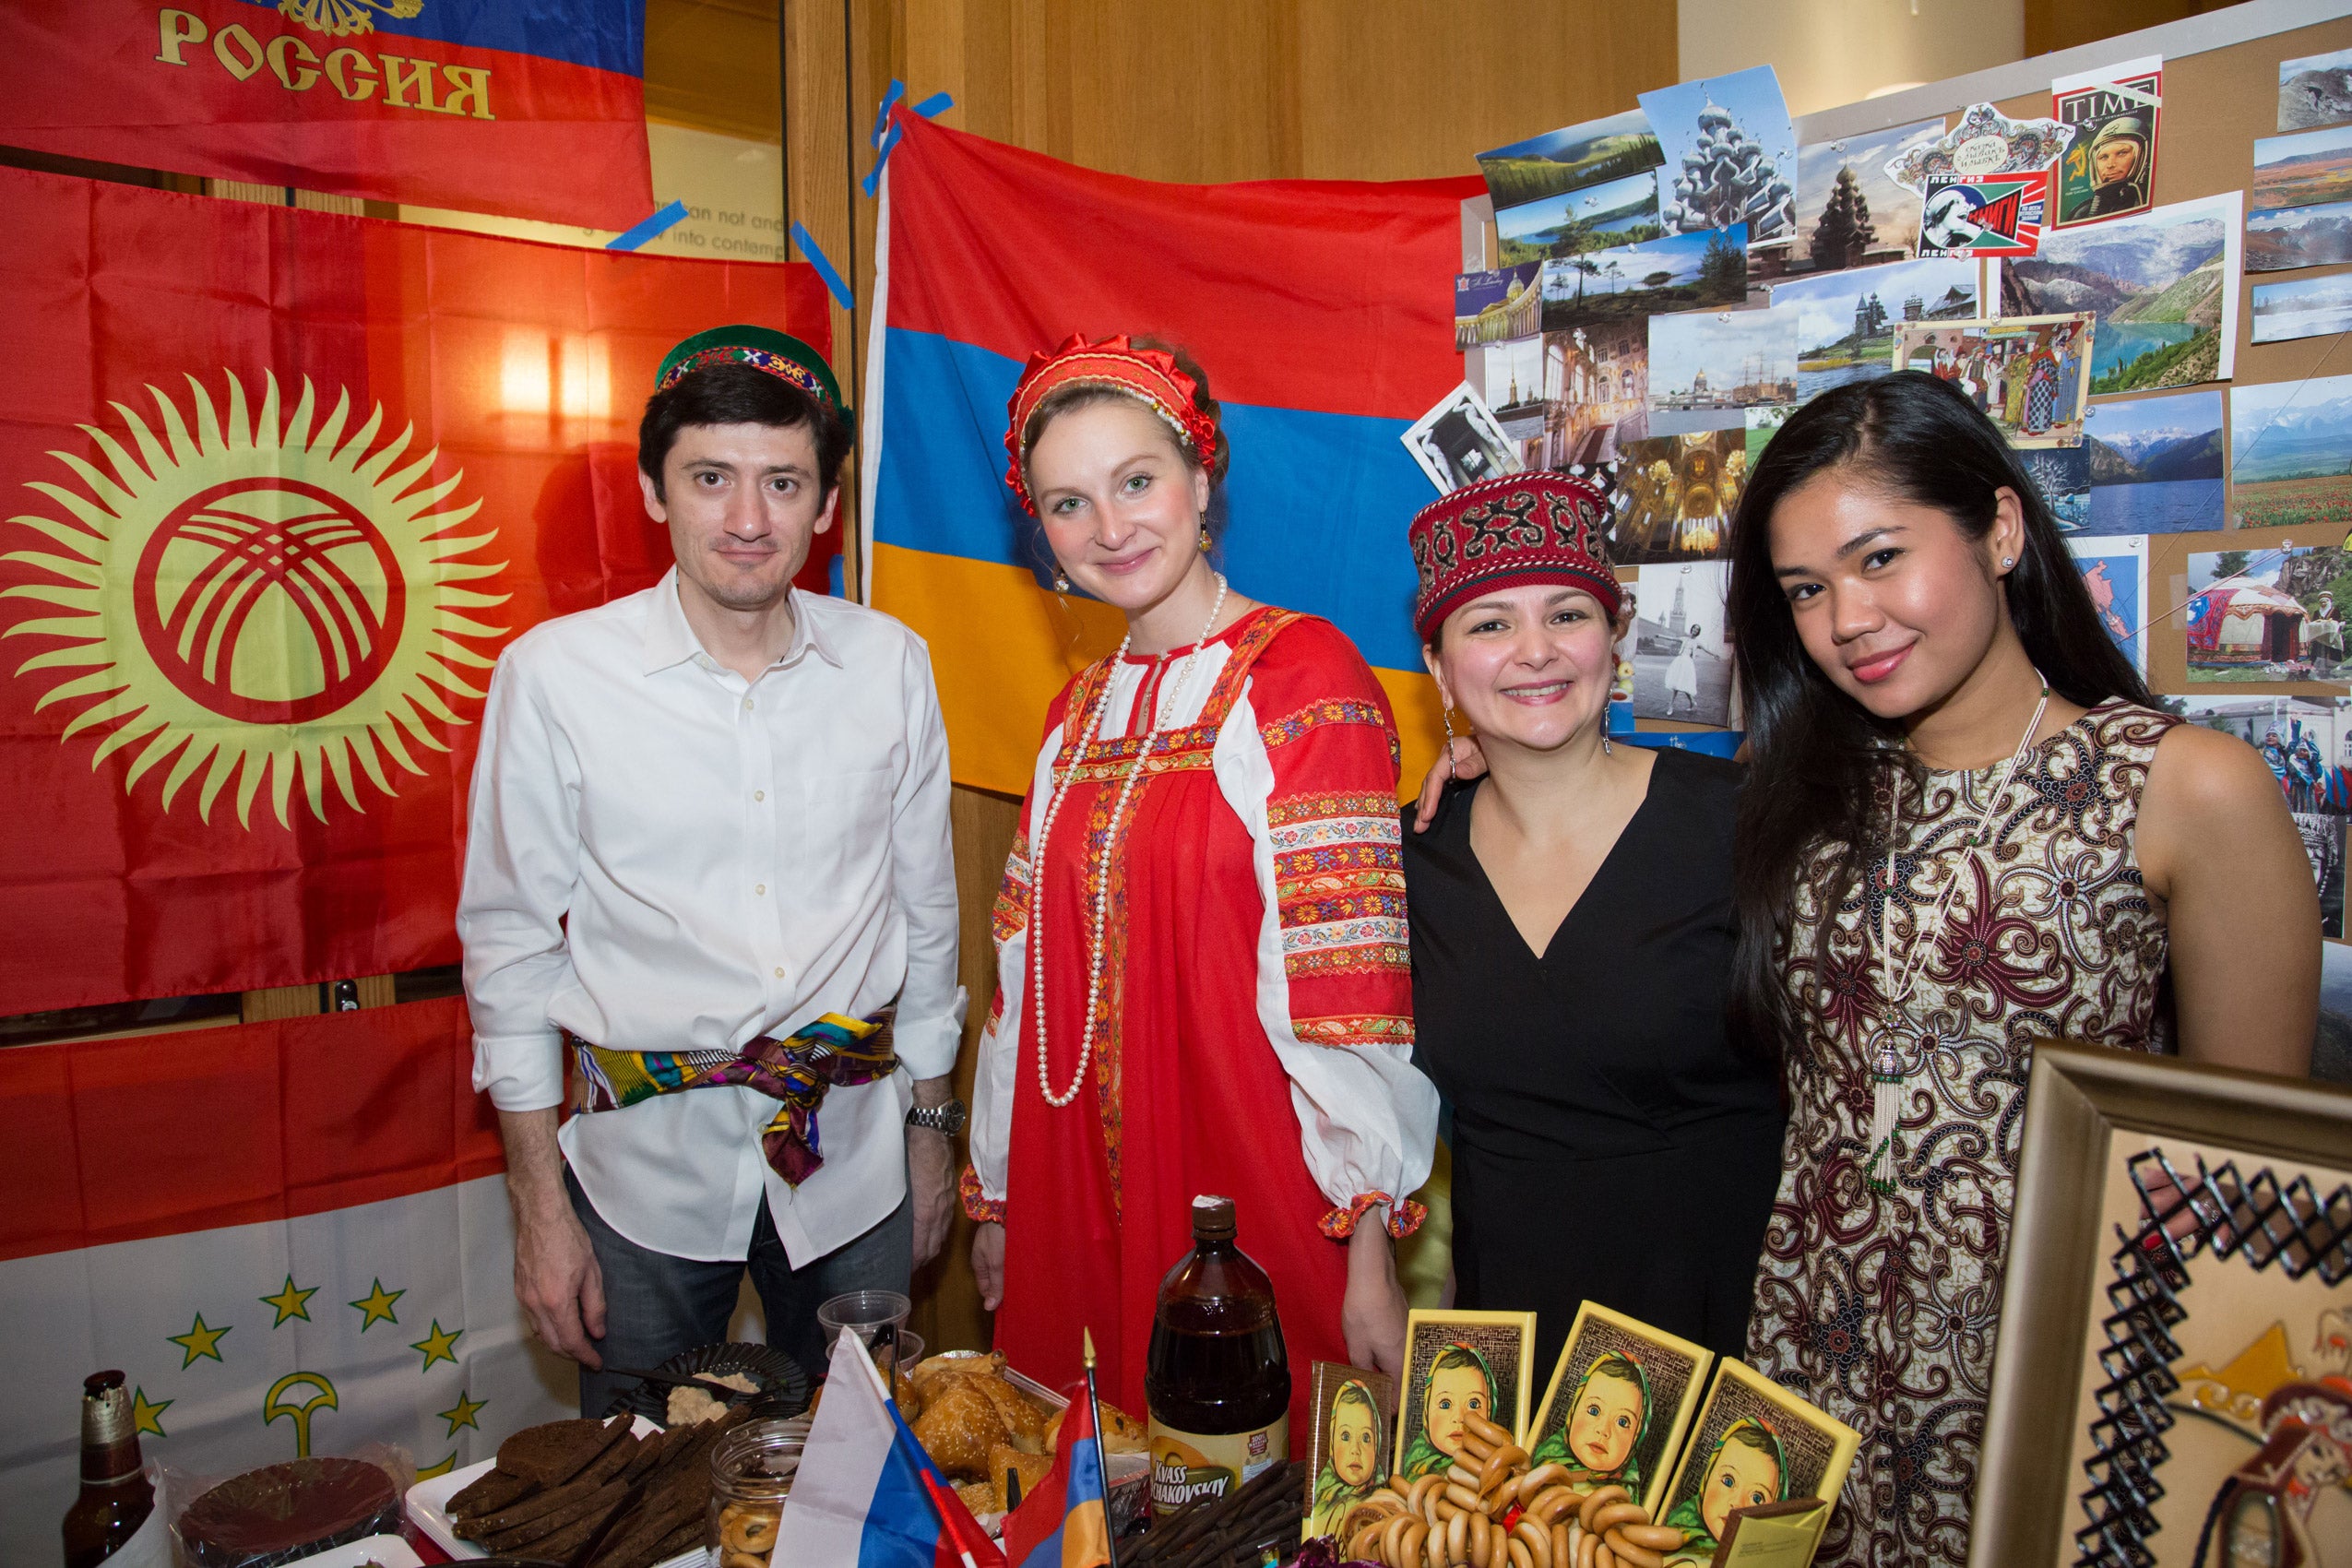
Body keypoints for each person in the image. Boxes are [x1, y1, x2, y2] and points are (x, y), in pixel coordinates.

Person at [1725, 372, 2317, 1565]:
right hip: (1806, 1368)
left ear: (1999, 529)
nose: (1845, 618)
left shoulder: (2179, 786)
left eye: (1880, 557)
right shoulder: (1801, 798)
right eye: (1805, 588)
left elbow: (2254, 1193)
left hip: (2052, 1385)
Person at [457, 326, 965, 1417]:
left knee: (861, 1469)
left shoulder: (890, 665)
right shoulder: (554, 677)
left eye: (783, 482)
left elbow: (929, 919)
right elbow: (508, 950)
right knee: (635, 1489)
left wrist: (933, 1141)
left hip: (855, 1160)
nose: (748, 519)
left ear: (826, 504)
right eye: (711, 478)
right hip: (637, 1176)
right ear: (655, 490)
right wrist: (538, 1207)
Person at [965, 334, 1439, 1435]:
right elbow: (1022, 974)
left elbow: (1349, 978)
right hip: (1070, 1179)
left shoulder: (1302, 676)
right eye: (1068, 502)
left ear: (1201, 475)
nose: (1111, 527)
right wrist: (1003, 1194)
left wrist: (1366, 1238)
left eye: (1137, 480)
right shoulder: (1073, 715)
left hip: (1252, 1179)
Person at [1403, 473, 1784, 1379]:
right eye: (1490, 624)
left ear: (1614, 639)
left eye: (1567, 613)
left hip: (1734, 1338)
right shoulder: (1408, 860)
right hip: (1513, 1353)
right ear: (1438, 664)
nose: (1535, 651)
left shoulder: (1747, 826)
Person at [1660, 1419, 1787, 1565]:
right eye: (1728, 1481)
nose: (1737, 1503)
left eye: (1757, 1498)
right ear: (1707, 1477)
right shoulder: (1675, 1527)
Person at [1530, 1352, 1650, 1490]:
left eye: (1622, 1422)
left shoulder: (1623, 1494)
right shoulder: (1547, 1460)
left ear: (1636, 1437)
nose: (1603, 1430)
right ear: (1573, 1410)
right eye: (1594, 1410)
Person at [1399, 1343, 1501, 1480]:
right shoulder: (1413, 1468)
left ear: (1490, 1409)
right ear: (1426, 1411)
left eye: (1473, 1404)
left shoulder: (1500, 1468)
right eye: (1445, 1404)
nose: (1459, 1418)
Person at [1307, 1378, 1388, 1536]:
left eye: (1366, 1438)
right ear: (1331, 1442)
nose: (1355, 1450)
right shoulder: (1321, 1497)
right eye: (1345, 1436)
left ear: (1377, 1444)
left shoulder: (1385, 1500)